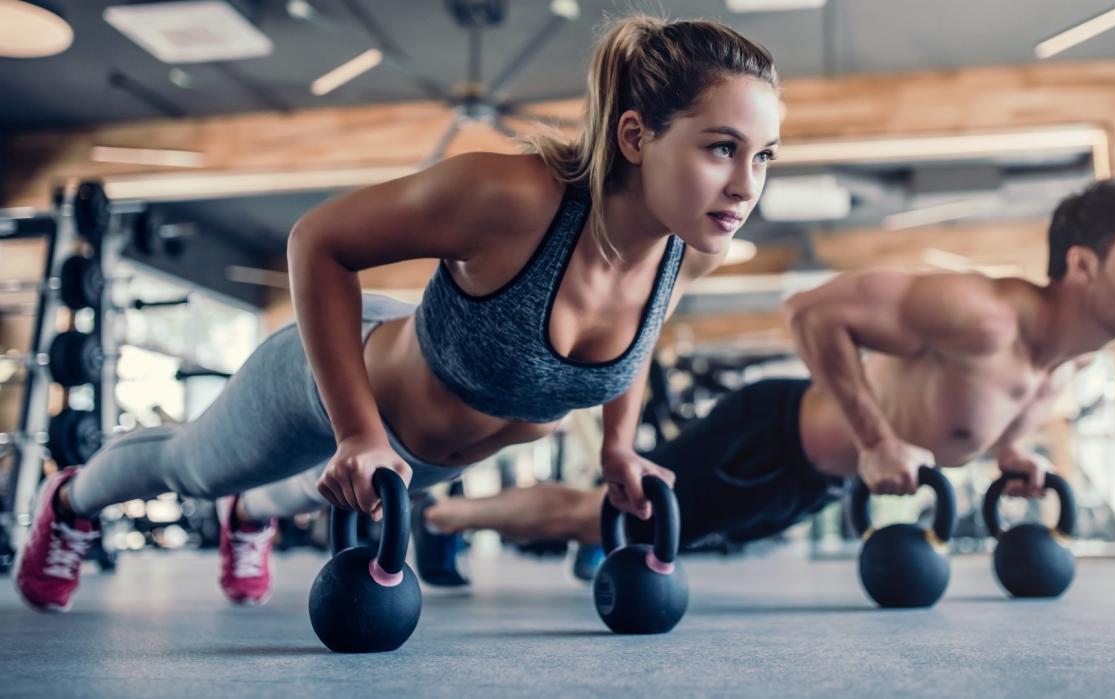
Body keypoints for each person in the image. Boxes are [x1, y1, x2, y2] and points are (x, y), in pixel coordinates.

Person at [16, 15, 783, 611]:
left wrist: (619, 445)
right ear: (635, 136)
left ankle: (251, 516)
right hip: (334, 380)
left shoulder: (690, 249)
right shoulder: (511, 200)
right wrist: (356, 430)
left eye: (764, 156)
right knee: (190, 469)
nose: (746, 185)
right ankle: (73, 500)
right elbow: (318, 241)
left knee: (311, 486)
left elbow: (636, 342)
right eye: (723, 147)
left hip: (406, 458)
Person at [412, 178, 1115, 583]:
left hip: (806, 482)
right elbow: (810, 310)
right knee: (597, 518)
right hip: (768, 440)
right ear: (1083, 266)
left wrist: (1015, 451)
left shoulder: (1068, 360)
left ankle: (452, 517)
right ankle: (444, 517)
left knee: (629, 528)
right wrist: (878, 437)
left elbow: (990, 405)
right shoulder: (981, 313)